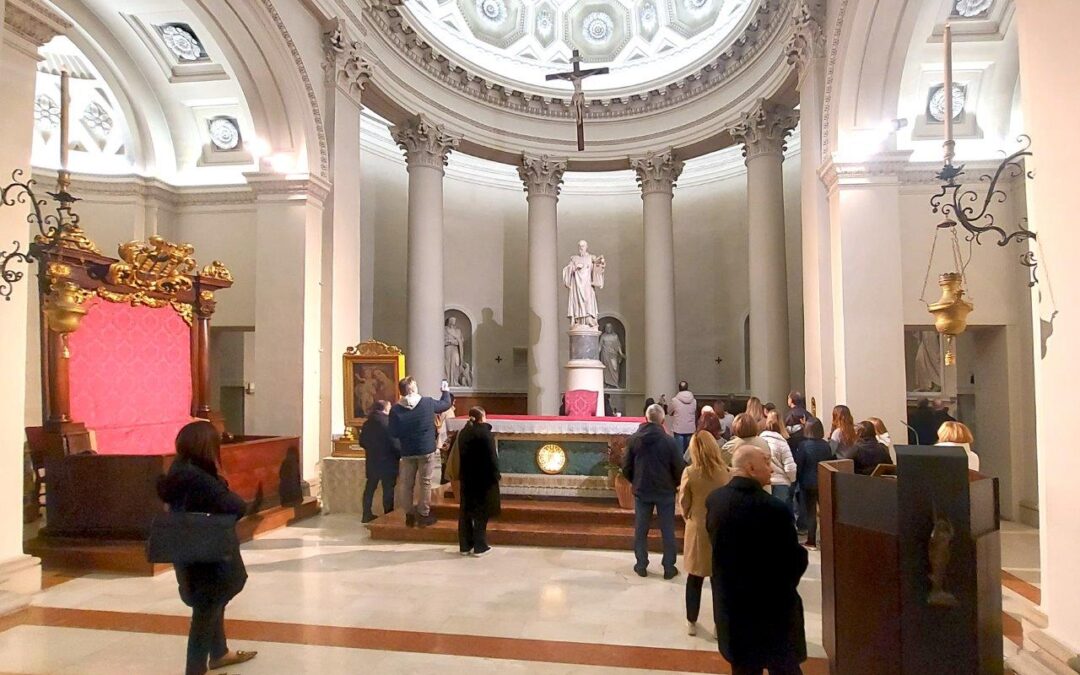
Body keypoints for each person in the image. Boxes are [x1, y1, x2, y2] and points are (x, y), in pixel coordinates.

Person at [157, 421, 256, 675]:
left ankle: (220, 652)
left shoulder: (178, 471)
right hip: (209, 553)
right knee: (206, 609)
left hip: (189, 551)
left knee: (211, 603)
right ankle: (196, 670)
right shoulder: (199, 479)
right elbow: (236, 506)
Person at [707, 446, 808, 675]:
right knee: (783, 667)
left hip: (732, 606)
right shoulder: (775, 509)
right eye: (766, 461)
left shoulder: (715, 500)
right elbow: (793, 561)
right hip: (772, 609)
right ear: (751, 468)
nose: (771, 467)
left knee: (743, 668)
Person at [622, 404, 685, 579]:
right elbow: (679, 467)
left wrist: (635, 481)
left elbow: (626, 466)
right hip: (665, 491)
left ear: (646, 418)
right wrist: (674, 483)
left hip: (642, 490)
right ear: (662, 420)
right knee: (667, 529)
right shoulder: (669, 441)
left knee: (641, 529)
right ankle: (669, 567)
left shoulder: (635, 440)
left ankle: (641, 565)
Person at [679, 430, 731, 636]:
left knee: (695, 578)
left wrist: (689, 516)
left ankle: (692, 621)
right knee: (719, 581)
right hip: (722, 528)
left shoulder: (691, 472)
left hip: (698, 527)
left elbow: (684, 501)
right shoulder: (726, 471)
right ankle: (719, 625)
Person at [388, 376, 454, 527]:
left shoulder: (396, 409)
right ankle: (424, 514)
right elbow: (446, 404)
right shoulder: (426, 403)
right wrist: (445, 390)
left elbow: (393, 432)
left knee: (407, 484)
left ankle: (409, 515)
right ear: (412, 388)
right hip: (425, 449)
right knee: (425, 482)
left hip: (407, 451)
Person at [456, 407, 501, 556]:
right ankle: (480, 546)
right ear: (482, 417)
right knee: (482, 512)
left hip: (467, 477)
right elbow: (492, 457)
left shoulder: (463, 433)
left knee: (466, 511)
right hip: (483, 479)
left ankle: (465, 545)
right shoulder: (485, 434)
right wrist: (497, 474)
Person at [794, 419, 833, 550]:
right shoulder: (826, 445)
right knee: (825, 511)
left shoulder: (803, 445)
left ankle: (811, 541)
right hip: (823, 480)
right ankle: (827, 539)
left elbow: (800, 465)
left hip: (807, 482)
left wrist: (796, 481)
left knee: (811, 512)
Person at [359, 400, 400, 523]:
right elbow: (395, 444)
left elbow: (362, 442)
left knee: (370, 488)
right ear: (385, 409)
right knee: (388, 490)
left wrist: (372, 449)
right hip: (388, 461)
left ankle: (366, 513)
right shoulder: (388, 423)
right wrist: (400, 453)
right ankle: (388, 514)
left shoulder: (367, 423)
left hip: (372, 461)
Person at [562, 239, 606, 328]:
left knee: (588, 300)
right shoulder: (574, 258)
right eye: (580, 246)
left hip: (587, 284)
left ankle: (589, 318)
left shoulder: (591, 257)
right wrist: (574, 267)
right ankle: (578, 320)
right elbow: (567, 270)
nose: (581, 248)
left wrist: (602, 262)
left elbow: (599, 267)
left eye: (583, 246)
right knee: (578, 302)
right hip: (577, 285)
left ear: (586, 247)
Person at [760, 411, 798, 512]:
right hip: (780, 482)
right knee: (781, 516)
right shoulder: (782, 442)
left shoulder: (760, 441)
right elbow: (790, 467)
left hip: (764, 482)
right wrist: (792, 480)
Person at [668, 380, 698, 454]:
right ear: (687, 388)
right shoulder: (694, 401)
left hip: (679, 429)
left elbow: (669, 412)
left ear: (679, 388)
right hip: (690, 429)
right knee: (689, 454)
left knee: (679, 453)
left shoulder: (674, 400)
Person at [599, 322, 625, 388]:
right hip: (605, 355)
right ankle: (607, 383)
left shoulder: (615, 336)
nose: (608, 329)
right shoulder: (603, 336)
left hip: (613, 354)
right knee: (606, 369)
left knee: (614, 368)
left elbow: (618, 345)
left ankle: (615, 383)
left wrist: (621, 353)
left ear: (611, 328)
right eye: (607, 327)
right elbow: (600, 346)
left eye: (609, 327)